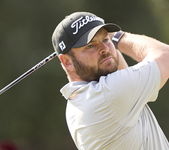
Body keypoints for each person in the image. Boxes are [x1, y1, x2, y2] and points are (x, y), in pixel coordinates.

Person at [52, 12, 169, 150]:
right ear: (66, 62)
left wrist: (104, 41)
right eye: (90, 46)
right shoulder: (108, 94)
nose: (105, 49)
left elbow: (118, 70)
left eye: (105, 40)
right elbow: (166, 55)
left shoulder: (76, 101)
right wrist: (118, 37)